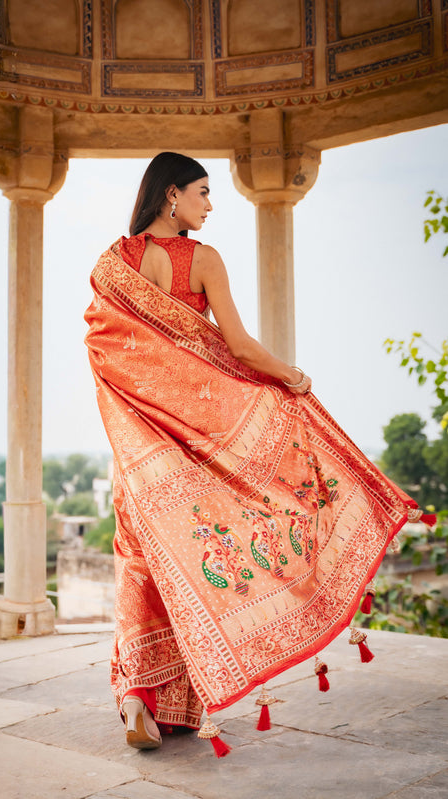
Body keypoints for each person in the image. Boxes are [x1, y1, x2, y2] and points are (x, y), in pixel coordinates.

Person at [84, 152, 427, 756]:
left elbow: (105, 348)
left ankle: (139, 698)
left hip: (141, 445)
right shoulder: (201, 260)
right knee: (190, 556)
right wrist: (291, 376)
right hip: (197, 438)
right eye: (203, 192)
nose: (210, 205)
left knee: (140, 556)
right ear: (171, 195)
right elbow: (237, 345)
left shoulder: (115, 265)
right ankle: (175, 696)